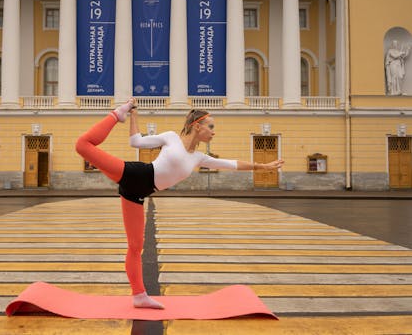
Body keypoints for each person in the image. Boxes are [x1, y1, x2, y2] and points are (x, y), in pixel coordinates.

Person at [75, 98, 284, 309]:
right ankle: (117, 113)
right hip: (135, 174)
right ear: (197, 126)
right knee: (82, 146)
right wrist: (132, 115)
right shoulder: (171, 137)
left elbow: (231, 164)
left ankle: (139, 296)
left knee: (135, 246)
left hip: (138, 193)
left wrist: (262, 166)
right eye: (210, 126)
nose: (213, 132)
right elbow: (135, 142)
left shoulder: (199, 157)